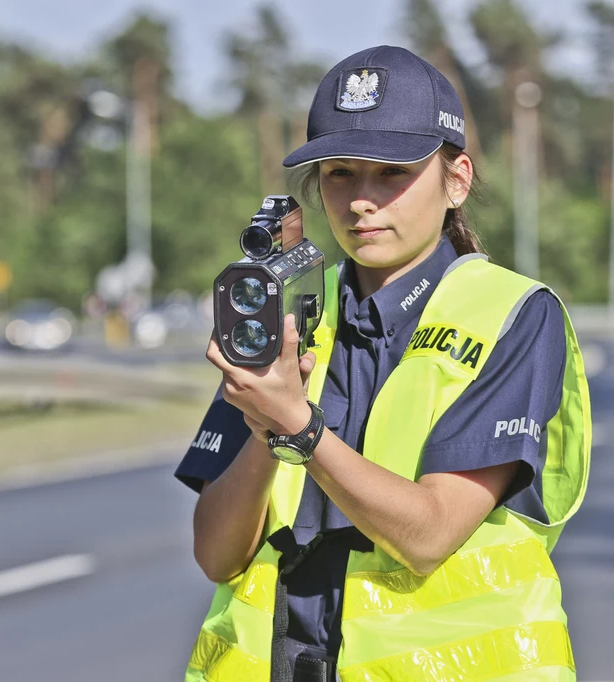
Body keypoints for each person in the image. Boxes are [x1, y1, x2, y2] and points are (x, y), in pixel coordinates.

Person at [176, 45, 591, 682]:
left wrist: (297, 428)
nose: (362, 200)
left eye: (391, 172)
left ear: (457, 180)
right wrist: (265, 423)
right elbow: (216, 554)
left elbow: (428, 534)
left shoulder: (510, 314)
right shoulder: (294, 312)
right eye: (340, 173)